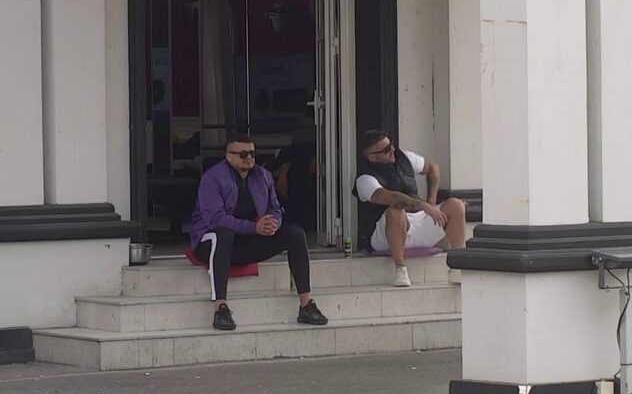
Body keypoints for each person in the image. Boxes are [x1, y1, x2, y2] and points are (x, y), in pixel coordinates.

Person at [189, 135, 329, 331]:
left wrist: (273, 223)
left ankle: (306, 304)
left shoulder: (263, 175)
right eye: (243, 154)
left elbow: (275, 208)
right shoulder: (212, 178)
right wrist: (253, 227)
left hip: (245, 241)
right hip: (210, 242)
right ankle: (220, 307)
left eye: (252, 153)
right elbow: (215, 219)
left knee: (295, 234)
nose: (249, 158)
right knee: (223, 235)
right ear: (229, 156)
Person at [354, 130, 466, 287]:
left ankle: (458, 267)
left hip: (417, 221)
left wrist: (431, 200)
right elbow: (391, 197)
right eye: (386, 150)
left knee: (456, 205)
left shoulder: (404, 157)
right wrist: (424, 205)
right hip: (386, 233)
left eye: (391, 145)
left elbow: (432, 168)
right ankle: (400, 269)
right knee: (396, 209)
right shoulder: (364, 179)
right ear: (372, 157)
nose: (392, 150)